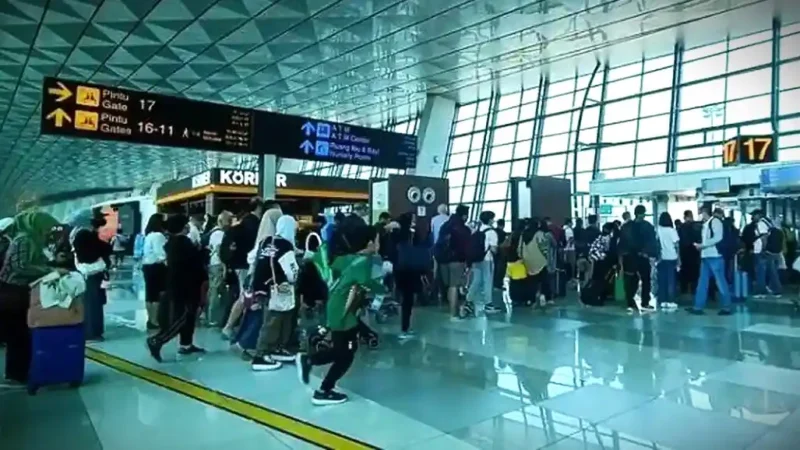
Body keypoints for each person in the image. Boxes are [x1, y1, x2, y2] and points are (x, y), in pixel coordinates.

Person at [296, 222, 384, 406]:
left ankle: (311, 362)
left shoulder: (345, 258)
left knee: (342, 350)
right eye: (376, 241)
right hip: (344, 314)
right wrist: (383, 287)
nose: (378, 244)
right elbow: (370, 283)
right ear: (368, 243)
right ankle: (323, 388)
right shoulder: (362, 263)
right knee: (346, 353)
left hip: (337, 309)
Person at [0, 211, 60, 383]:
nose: (48, 231)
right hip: (12, 293)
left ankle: (17, 373)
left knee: (18, 335)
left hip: (14, 292)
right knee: (18, 335)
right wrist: (49, 271)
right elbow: (21, 267)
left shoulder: (28, 239)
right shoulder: (25, 240)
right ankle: (17, 375)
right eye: (46, 228)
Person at [147, 214, 208, 362]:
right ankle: (158, 340)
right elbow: (195, 264)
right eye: (186, 224)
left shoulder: (172, 243)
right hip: (186, 287)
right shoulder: (183, 243)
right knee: (183, 318)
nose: (188, 226)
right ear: (182, 227)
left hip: (177, 285)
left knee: (188, 317)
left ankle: (186, 344)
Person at [222, 203, 281, 340]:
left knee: (246, 295)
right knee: (246, 296)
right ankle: (231, 327)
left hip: (241, 265)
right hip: (247, 266)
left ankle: (233, 327)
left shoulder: (242, 225)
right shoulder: (255, 226)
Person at [251, 215, 301, 371]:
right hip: (278, 288)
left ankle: (276, 348)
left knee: (277, 318)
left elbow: (252, 258)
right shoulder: (286, 246)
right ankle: (261, 355)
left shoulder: (266, 241)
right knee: (274, 320)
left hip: (261, 285)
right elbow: (292, 272)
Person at [70, 210, 112, 341]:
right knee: (92, 303)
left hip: (91, 274)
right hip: (91, 274)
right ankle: (92, 331)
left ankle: (93, 330)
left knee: (93, 302)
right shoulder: (85, 235)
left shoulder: (80, 234)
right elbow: (89, 255)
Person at [389, 212, 430, 339]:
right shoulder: (412, 234)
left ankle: (404, 327)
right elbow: (419, 250)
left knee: (404, 296)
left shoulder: (394, 233)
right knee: (408, 300)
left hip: (399, 269)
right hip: (411, 270)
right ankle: (405, 328)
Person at [686, 207, 732, 316]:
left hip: (715, 256)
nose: (699, 216)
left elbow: (718, 237)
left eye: (700, 213)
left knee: (720, 282)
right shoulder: (706, 223)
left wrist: (703, 245)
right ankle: (698, 306)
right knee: (702, 282)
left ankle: (727, 307)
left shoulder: (715, 222)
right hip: (706, 256)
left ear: (704, 213)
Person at [618, 205, 658, 313]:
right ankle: (644, 302)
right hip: (642, 257)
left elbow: (622, 243)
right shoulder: (648, 226)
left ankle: (630, 302)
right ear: (643, 213)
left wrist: (622, 257)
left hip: (630, 257)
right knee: (645, 280)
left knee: (631, 280)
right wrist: (647, 253)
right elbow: (652, 241)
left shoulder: (626, 227)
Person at [435, 205, 471, 321]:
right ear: (464, 215)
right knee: (455, 286)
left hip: (443, 260)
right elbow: (466, 247)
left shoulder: (445, 226)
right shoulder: (463, 229)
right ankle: (454, 314)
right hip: (457, 260)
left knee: (449, 286)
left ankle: (452, 312)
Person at [467, 211, 498, 315]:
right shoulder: (492, 232)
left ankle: (468, 300)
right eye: (493, 218)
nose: (494, 220)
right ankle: (488, 304)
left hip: (476, 259)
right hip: (487, 259)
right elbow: (494, 249)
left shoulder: (477, 230)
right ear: (489, 220)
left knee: (476, 281)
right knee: (487, 281)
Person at [206, 211, 233, 327]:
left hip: (214, 264)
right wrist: (224, 266)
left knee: (218, 291)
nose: (231, 223)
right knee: (215, 291)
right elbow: (218, 251)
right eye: (229, 220)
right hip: (217, 265)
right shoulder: (219, 234)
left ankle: (219, 316)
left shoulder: (214, 233)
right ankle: (212, 318)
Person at [141, 214, 167, 330]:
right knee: (157, 294)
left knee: (150, 294)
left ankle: (150, 319)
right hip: (157, 267)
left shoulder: (148, 235)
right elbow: (161, 253)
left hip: (147, 266)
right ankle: (155, 320)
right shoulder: (159, 236)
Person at [752, 209, 783, 298]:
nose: (753, 217)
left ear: (759, 215)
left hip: (762, 251)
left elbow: (764, 237)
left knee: (760, 272)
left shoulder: (761, 224)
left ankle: (760, 292)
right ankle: (777, 290)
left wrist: (763, 249)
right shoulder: (769, 223)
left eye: (754, 215)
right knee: (772, 271)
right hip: (771, 251)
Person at [656, 212, 680, 309]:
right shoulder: (672, 231)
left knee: (662, 280)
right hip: (672, 257)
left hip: (661, 258)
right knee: (671, 280)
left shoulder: (658, 230)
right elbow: (677, 246)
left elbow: (656, 243)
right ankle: (671, 301)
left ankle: (662, 300)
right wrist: (679, 259)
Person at [679, 211, 701, 295]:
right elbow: (698, 238)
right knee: (694, 272)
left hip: (684, 252)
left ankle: (684, 290)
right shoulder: (695, 226)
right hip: (694, 252)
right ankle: (693, 289)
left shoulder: (681, 227)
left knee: (684, 271)